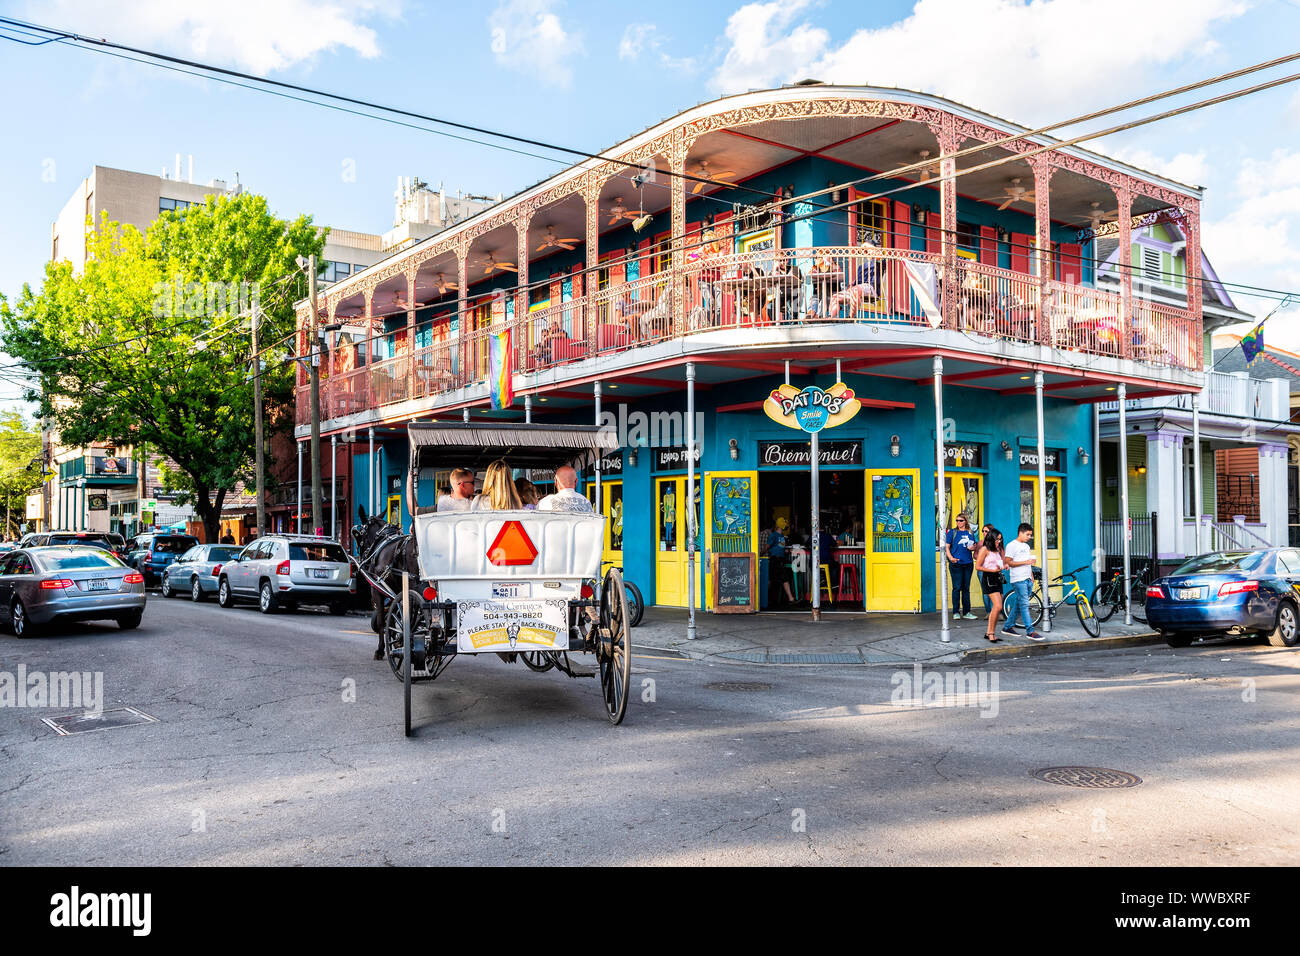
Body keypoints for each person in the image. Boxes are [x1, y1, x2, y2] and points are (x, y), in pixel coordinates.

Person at [1001, 522, 1041, 640]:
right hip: (1018, 579)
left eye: (1030, 535)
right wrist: (1026, 562)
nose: (1029, 537)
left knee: (1020, 603)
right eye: (1028, 535)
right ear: (1021, 532)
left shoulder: (1026, 546)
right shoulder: (1011, 545)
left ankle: (1008, 626)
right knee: (1024, 604)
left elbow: (1028, 562)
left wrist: (1031, 575)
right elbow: (1009, 562)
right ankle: (1030, 631)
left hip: (1028, 579)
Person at [943, 512, 978, 619]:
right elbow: (947, 547)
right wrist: (951, 558)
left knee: (966, 588)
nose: (958, 522)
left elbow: (974, 546)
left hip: (968, 563)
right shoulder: (952, 532)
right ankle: (956, 612)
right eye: (957, 520)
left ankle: (967, 612)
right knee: (957, 588)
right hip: (956, 564)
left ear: (965, 521)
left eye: (961, 520)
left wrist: (973, 548)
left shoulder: (970, 532)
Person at [977, 527, 1007, 642]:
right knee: (998, 606)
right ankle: (990, 633)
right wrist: (992, 571)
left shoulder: (998, 549)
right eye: (997, 539)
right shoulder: (984, 549)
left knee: (997, 608)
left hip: (997, 578)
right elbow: (978, 567)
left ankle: (990, 632)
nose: (998, 542)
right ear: (991, 538)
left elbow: (999, 563)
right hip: (989, 578)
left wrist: (1004, 566)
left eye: (1000, 539)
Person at [765, 516, 796, 608]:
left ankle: (768, 600)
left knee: (773, 580)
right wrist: (760, 554)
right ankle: (791, 599)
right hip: (775, 560)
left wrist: (787, 551)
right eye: (785, 523)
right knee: (783, 578)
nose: (787, 525)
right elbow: (767, 546)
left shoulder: (782, 536)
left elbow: (780, 548)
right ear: (781, 525)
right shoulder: (773, 535)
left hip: (780, 559)